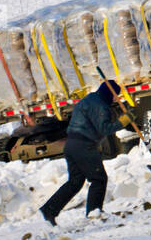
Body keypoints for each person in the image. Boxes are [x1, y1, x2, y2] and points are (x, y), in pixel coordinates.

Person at [39, 79, 132, 225]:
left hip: (71, 145)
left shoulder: (88, 99)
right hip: (85, 145)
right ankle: (94, 213)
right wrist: (123, 121)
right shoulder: (101, 106)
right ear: (109, 93)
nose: (115, 99)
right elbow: (105, 129)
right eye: (115, 96)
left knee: (75, 182)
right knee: (99, 179)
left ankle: (49, 209)